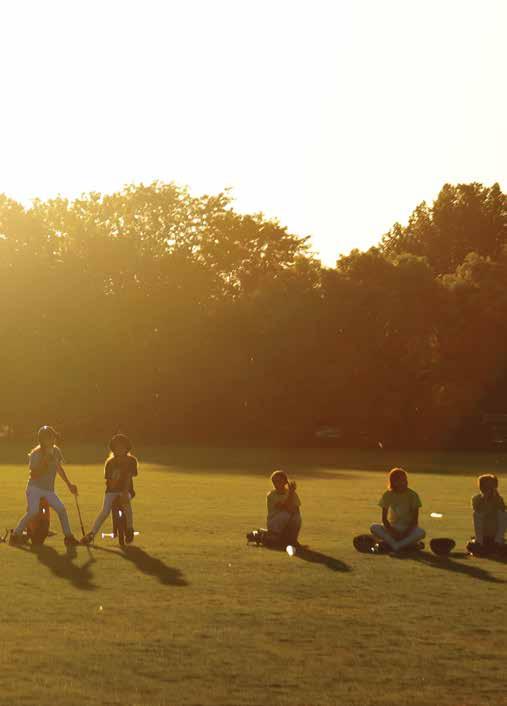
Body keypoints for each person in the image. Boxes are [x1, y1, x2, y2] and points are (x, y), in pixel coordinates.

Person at [10, 426, 80, 546]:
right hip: (34, 488)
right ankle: (16, 535)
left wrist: (69, 484)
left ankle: (68, 537)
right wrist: (44, 462)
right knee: (33, 511)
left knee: (61, 509)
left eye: (53, 437)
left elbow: (59, 468)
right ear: (42, 440)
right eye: (49, 438)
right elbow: (34, 474)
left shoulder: (56, 451)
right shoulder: (35, 454)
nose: (53, 440)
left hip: (49, 490)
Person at [82, 434, 138, 545]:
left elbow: (129, 477)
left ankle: (129, 529)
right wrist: (115, 478)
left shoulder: (131, 460)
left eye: (122, 446)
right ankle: (92, 534)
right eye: (117, 447)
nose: (120, 449)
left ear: (127, 447)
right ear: (113, 449)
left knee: (127, 506)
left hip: (127, 490)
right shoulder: (110, 463)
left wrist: (125, 493)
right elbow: (110, 485)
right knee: (105, 511)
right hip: (112, 491)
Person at [370, 467, 425, 553]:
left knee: (421, 532)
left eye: (404, 480)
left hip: (407, 528)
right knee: (374, 527)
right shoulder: (388, 494)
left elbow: (415, 520)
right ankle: (402, 545)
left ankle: (395, 545)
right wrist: (393, 532)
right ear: (393, 482)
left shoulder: (413, 495)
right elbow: (384, 519)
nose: (403, 482)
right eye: (399, 480)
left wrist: (405, 533)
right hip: (392, 527)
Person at [470, 474, 506, 554]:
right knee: (476, 514)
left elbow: (502, 512)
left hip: (495, 535)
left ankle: (498, 542)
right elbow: (480, 511)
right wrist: (486, 499)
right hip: (483, 535)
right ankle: (479, 542)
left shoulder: (499, 499)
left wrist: (495, 499)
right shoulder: (476, 499)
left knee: (503, 514)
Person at [266, 470, 302, 547]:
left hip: (287, 523)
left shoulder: (292, 494)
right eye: (274, 482)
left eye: (279, 481)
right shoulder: (271, 495)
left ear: (285, 482)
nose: (276, 484)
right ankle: (274, 537)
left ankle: (293, 540)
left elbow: (295, 510)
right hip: (274, 523)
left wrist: (291, 493)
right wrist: (291, 493)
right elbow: (284, 507)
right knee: (285, 515)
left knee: (297, 517)